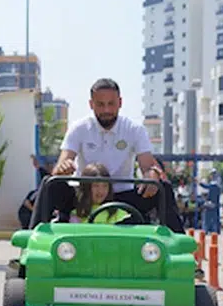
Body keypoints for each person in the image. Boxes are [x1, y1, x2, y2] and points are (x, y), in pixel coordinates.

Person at [54, 77, 184, 232]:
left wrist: (152, 175)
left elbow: (148, 166)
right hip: (85, 195)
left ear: (120, 103)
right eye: (100, 104)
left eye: (111, 104)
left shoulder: (134, 129)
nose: (106, 110)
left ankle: (177, 241)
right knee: (50, 185)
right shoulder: (78, 128)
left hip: (122, 194)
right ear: (91, 104)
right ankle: (35, 236)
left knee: (163, 188)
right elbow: (61, 164)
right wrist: (63, 167)